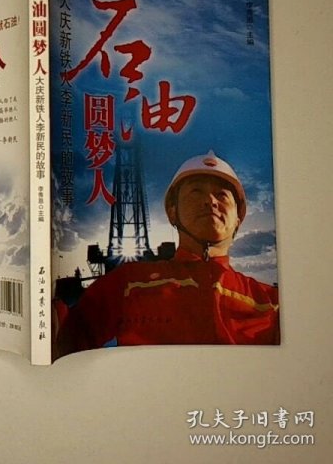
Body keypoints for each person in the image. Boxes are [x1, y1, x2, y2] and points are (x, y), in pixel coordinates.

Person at [55, 151, 280, 357]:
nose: (210, 201)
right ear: (172, 212)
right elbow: (64, 344)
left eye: (222, 195)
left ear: (238, 219)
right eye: (196, 191)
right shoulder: (127, 284)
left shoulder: (272, 304)